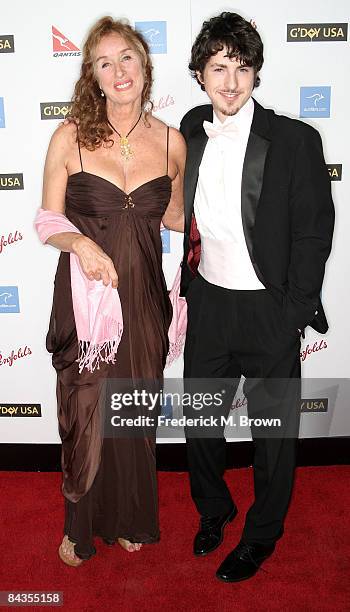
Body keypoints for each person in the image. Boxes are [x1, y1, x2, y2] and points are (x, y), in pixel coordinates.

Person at [179, 12, 334, 582]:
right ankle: (214, 510)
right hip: (211, 305)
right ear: (200, 73)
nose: (230, 81)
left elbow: (315, 232)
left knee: (273, 437)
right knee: (201, 426)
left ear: (256, 74)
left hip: (269, 310)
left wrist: (292, 312)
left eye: (242, 68)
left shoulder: (295, 140)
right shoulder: (192, 128)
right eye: (218, 67)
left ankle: (262, 535)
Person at [37, 16, 185, 566]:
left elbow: (176, 218)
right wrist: (81, 243)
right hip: (86, 301)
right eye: (105, 62)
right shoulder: (70, 135)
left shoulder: (173, 142)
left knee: (134, 416)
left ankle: (128, 518)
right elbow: (47, 219)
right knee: (86, 413)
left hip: (144, 299)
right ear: (92, 76)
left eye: (127, 57)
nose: (119, 70)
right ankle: (80, 528)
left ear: (144, 64)